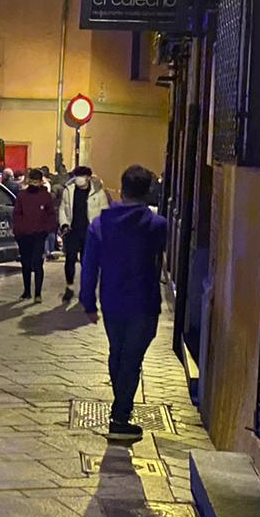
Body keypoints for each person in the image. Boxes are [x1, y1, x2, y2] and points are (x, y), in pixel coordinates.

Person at [80, 165, 170, 441]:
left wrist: (88, 302)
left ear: (123, 189)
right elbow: (158, 261)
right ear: (147, 192)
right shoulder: (158, 225)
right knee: (132, 358)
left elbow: (90, 265)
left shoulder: (100, 224)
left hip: (112, 299)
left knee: (117, 353)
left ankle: (120, 410)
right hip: (143, 300)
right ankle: (120, 416)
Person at [58, 166, 112, 303]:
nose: (78, 179)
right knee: (70, 260)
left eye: (81, 176)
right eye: (76, 176)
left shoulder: (98, 193)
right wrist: (64, 223)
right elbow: (63, 208)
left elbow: (104, 211)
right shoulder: (69, 191)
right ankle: (69, 287)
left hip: (90, 232)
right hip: (72, 231)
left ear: (88, 177)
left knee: (87, 263)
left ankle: (86, 290)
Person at [12, 168, 57, 300]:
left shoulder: (45, 196)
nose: (33, 184)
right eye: (31, 181)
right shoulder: (22, 196)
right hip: (24, 235)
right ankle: (27, 291)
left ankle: (38, 293)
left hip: (39, 234)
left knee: (38, 263)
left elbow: (51, 215)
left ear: (40, 182)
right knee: (25, 264)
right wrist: (18, 231)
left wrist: (46, 230)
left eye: (36, 181)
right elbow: (17, 214)